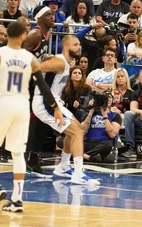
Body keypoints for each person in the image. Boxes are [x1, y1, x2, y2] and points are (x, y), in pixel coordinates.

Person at [0, 20, 62, 213]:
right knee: (18, 153)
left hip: (4, 102)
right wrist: (55, 107)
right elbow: (43, 86)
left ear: (7, 35)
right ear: (22, 36)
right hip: (22, 106)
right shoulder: (31, 58)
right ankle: (17, 199)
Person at [32, 32, 97, 185]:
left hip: (54, 101)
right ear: (66, 47)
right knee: (75, 131)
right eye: (76, 44)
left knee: (77, 130)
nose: (79, 47)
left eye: (79, 44)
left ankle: (63, 166)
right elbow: (35, 68)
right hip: (44, 102)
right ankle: (78, 173)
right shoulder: (60, 62)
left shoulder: (67, 63)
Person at [81, 94, 122, 163]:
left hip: (103, 144)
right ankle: (89, 157)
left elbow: (112, 134)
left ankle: (82, 156)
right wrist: (90, 113)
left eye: (109, 98)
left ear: (112, 101)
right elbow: (82, 132)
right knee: (69, 142)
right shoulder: (88, 114)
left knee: (107, 144)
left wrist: (105, 116)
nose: (107, 100)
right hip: (89, 142)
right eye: (105, 98)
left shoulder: (115, 115)